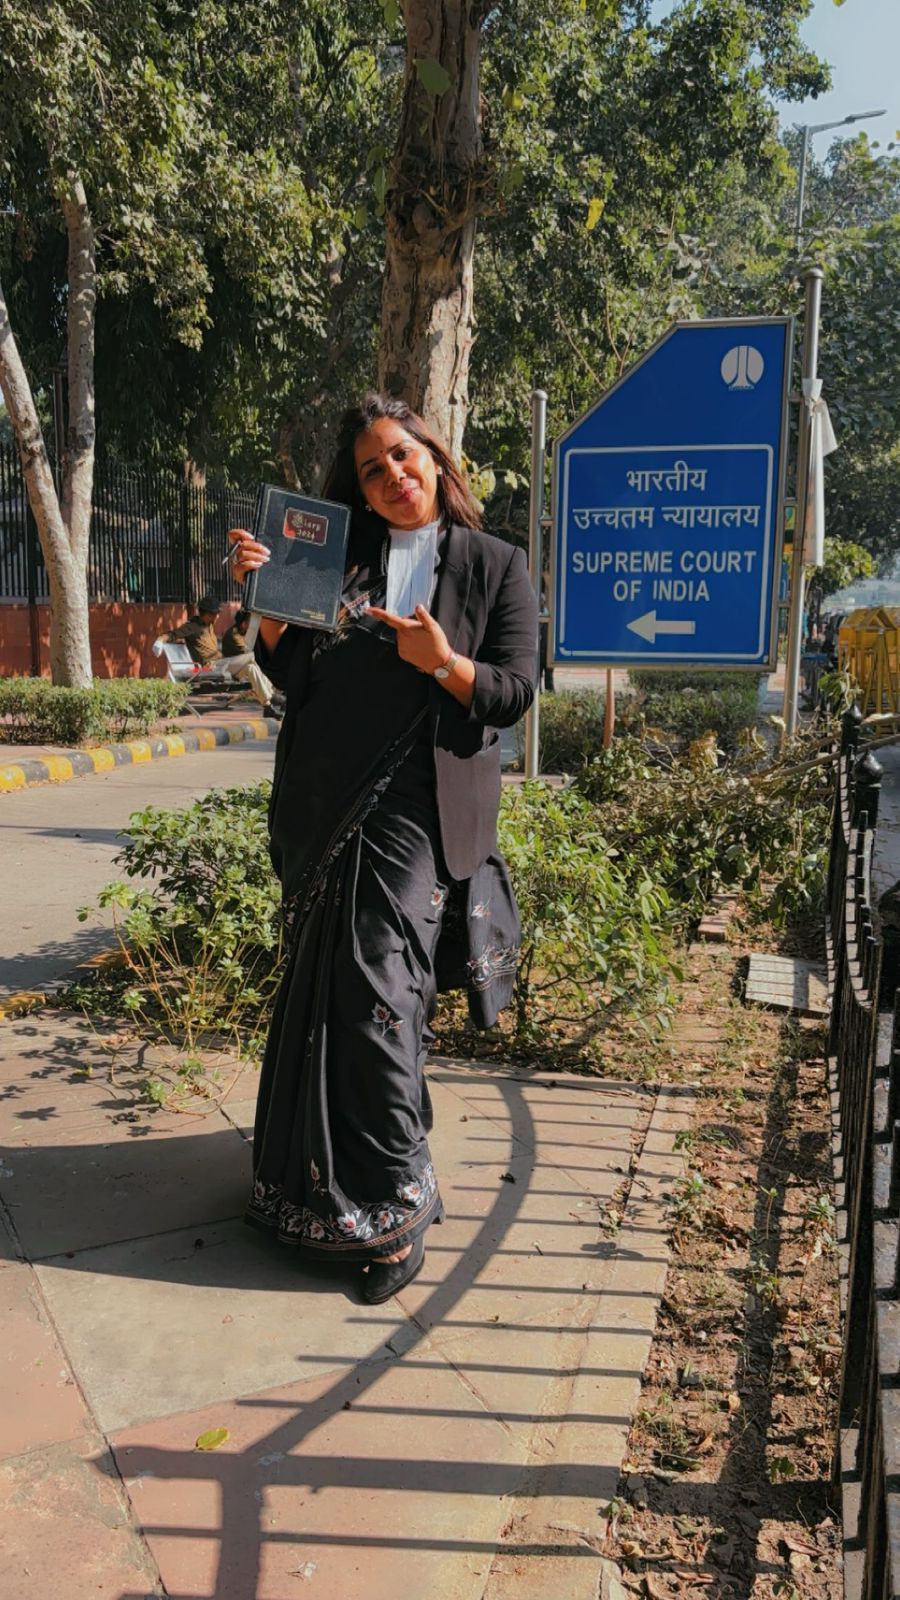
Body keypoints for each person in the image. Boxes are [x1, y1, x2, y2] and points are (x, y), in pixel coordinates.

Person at [228, 392, 538, 1303]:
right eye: (373, 467)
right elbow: (297, 680)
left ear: (437, 461)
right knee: (329, 991)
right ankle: (313, 1189)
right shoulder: (339, 560)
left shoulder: (494, 564)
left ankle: (397, 1209)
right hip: (326, 800)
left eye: (404, 455)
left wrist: (443, 662)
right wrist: (268, 605)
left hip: (419, 808)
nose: (393, 474)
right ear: (359, 489)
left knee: (375, 991)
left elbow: (514, 692)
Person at [166, 597, 281, 719]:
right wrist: (159, 641)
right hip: (211, 667)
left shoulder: (208, 625)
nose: (217, 617)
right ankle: (272, 694)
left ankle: (268, 706)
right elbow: (173, 634)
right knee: (252, 656)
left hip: (221, 664)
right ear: (208, 614)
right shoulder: (192, 627)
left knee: (251, 667)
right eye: (216, 614)